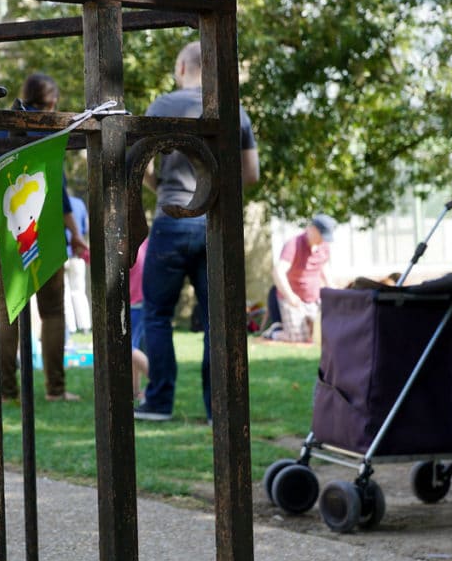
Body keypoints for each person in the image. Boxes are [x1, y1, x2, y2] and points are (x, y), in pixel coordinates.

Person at [135, 41, 260, 423]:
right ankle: (218, 408)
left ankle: (158, 403)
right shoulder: (233, 109)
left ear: (181, 67)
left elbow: (139, 165)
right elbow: (251, 175)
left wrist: (165, 190)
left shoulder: (160, 107)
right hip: (214, 224)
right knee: (216, 318)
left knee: (157, 314)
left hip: (171, 220)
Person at [0, 73, 89, 402]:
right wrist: (76, 235)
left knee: (8, 311)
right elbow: (61, 194)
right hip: (46, 228)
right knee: (51, 312)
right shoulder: (49, 132)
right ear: (51, 102)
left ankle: (6, 393)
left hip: (8, 231)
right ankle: (55, 389)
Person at [269, 214, 337, 344]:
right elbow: (278, 272)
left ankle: (295, 328)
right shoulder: (293, 244)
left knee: (320, 335)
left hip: (314, 299)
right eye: (321, 235)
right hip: (293, 300)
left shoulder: (324, 246)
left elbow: (324, 269)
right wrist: (290, 297)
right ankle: (275, 333)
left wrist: (332, 289)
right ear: (312, 229)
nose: (323, 240)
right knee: (299, 338)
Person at [63, 192, 92, 335]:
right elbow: (85, 228)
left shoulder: (58, 200)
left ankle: (71, 327)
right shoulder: (80, 203)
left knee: (66, 293)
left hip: (62, 253)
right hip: (78, 254)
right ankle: (85, 325)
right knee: (79, 291)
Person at [130, 238, 149, 401]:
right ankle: (134, 390)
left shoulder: (122, 241)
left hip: (133, 301)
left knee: (126, 348)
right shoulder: (143, 240)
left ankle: (156, 380)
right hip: (142, 300)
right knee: (133, 346)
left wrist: (84, 254)